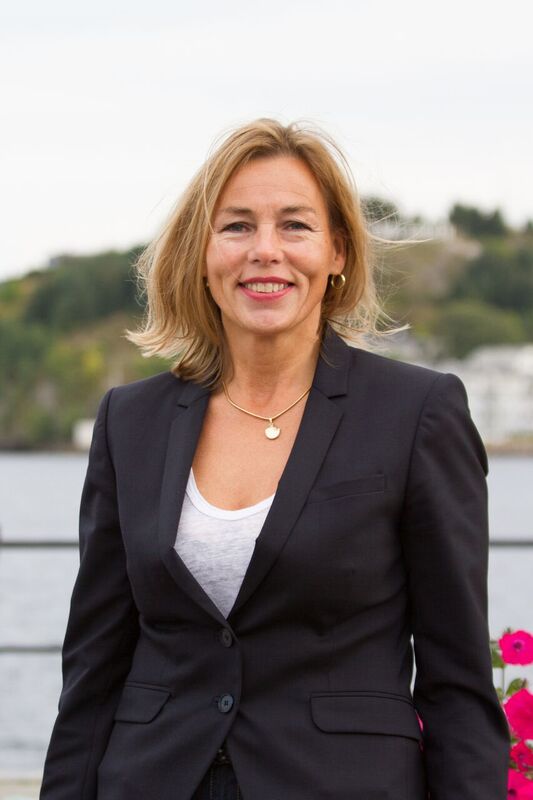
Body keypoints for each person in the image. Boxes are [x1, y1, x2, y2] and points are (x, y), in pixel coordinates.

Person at [40, 118, 510, 800]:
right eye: (236, 226)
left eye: (294, 226)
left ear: (336, 250)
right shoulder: (129, 421)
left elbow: (458, 681)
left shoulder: (417, 413)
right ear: (202, 253)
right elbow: (93, 668)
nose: (265, 250)